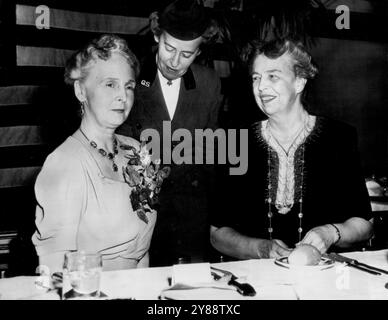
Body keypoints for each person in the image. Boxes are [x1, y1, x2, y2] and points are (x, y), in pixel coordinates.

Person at [210, 38, 373, 259]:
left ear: (299, 82)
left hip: (322, 280)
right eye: (256, 78)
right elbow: (218, 234)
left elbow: (364, 224)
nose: (261, 87)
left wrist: (330, 233)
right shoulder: (235, 142)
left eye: (273, 77)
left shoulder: (338, 138)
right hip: (256, 283)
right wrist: (259, 248)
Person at [32, 34, 158, 273]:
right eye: (110, 84)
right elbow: (54, 269)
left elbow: (141, 253)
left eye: (128, 86)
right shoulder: (65, 163)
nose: (123, 95)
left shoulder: (137, 150)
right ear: (81, 91)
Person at [117, 0, 223, 266]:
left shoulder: (209, 83)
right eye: (169, 48)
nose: (175, 62)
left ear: (199, 51)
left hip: (192, 219)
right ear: (156, 36)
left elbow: (211, 153)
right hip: (139, 217)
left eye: (187, 54)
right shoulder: (131, 78)